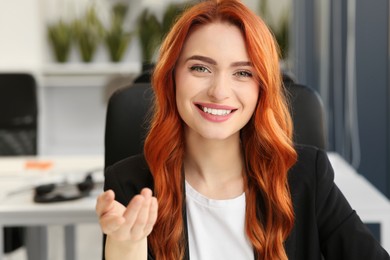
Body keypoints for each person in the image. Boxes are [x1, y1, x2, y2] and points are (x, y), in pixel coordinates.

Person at [95, 0, 390, 259]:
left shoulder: (307, 176)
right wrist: (125, 247)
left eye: (243, 73)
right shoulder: (130, 185)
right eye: (200, 68)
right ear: (171, 78)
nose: (220, 92)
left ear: (262, 89)